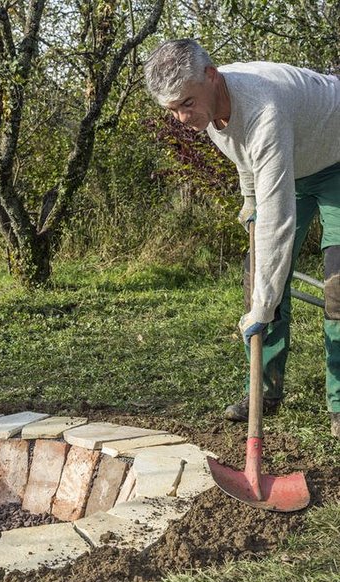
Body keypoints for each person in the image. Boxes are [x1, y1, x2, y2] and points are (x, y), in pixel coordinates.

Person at [143, 38, 340, 439]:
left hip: (335, 156)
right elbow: (244, 153)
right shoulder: (209, 106)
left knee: (338, 288)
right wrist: (250, 200)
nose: (182, 118)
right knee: (258, 277)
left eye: (186, 104)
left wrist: (262, 308)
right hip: (291, 160)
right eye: (172, 110)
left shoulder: (264, 107)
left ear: (211, 78)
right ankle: (263, 391)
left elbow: (279, 222)